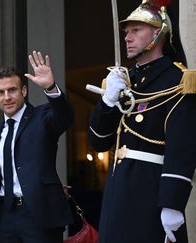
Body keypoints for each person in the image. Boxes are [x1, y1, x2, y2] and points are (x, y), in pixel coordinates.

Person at [88, 1, 196, 242]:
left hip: (151, 190)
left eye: (136, 30)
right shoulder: (125, 81)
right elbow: (98, 141)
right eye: (127, 32)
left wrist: (172, 202)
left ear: (159, 32)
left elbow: (182, 147)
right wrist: (107, 102)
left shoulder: (177, 80)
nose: (128, 37)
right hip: (119, 188)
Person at [0, 51, 74, 243]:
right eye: (0, 93)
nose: (7, 97)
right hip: (5, 215)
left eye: (12, 90)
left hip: (39, 214)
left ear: (24, 91)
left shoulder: (43, 116)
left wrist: (51, 88)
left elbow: (64, 117)